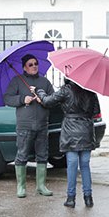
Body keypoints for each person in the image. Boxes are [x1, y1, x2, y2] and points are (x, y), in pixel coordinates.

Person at [33, 78, 101, 208]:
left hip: (70, 131)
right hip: (86, 130)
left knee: (72, 165)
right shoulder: (91, 91)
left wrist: (39, 91)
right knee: (85, 165)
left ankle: (71, 198)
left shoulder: (66, 90)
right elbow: (95, 111)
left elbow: (47, 101)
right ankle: (88, 198)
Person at [4, 53, 54, 198]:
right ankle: (21, 187)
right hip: (24, 126)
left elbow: (53, 99)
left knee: (43, 155)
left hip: (42, 125)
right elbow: (7, 98)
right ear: (24, 68)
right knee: (22, 155)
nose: (34, 66)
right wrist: (22, 99)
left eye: (36, 63)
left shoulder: (44, 82)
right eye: (30, 64)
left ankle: (41, 186)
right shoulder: (17, 81)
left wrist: (42, 99)